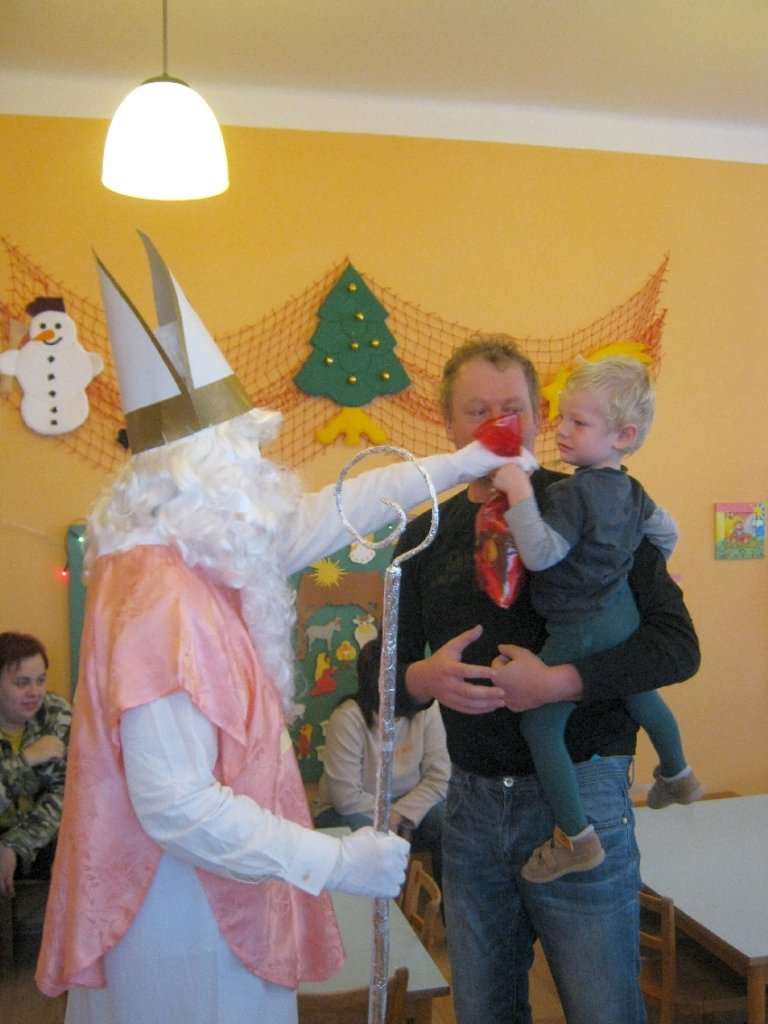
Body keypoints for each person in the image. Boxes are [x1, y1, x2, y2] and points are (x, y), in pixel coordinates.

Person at [35, 234, 514, 1024]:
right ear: (203, 475)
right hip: (178, 927)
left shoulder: (205, 545)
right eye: (245, 457)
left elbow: (338, 507)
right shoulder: (159, 599)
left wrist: (462, 464)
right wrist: (333, 859)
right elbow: (175, 806)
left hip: (221, 902)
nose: (264, 474)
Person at [393, 335, 701, 1024]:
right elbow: (380, 675)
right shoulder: (421, 536)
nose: (496, 424)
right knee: (484, 1011)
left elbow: (676, 648)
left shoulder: (597, 500)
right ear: (447, 423)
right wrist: (420, 675)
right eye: (476, 410)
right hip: (471, 812)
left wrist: (559, 683)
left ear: (538, 417)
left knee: (603, 1009)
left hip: (583, 797)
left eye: (513, 409)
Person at [491, 356, 702, 883]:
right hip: (621, 613)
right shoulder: (634, 491)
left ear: (622, 435)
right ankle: (678, 773)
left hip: (579, 623)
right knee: (640, 694)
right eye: (562, 418)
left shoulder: (571, 493)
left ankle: (577, 838)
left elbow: (540, 554)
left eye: (579, 423)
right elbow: (668, 534)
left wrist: (518, 491)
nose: (561, 431)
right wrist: (622, 567)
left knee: (540, 724)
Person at [314, 637, 449, 890]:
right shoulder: (348, 718)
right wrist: (388, 818)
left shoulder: (428, 710)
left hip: (406, 811)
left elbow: (440, 779)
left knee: (449, 820)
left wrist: (400, 813)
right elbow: (346, 799)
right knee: (365, 835)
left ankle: (448, 909)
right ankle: (369, 911)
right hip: (352, 812)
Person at [0, 632, 71, 901]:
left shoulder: (55, 714)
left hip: (37, 840)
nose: (35, 692)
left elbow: (66, 794)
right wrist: (26, 759)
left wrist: (14, 843)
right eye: (22, 683)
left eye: (40, 680)